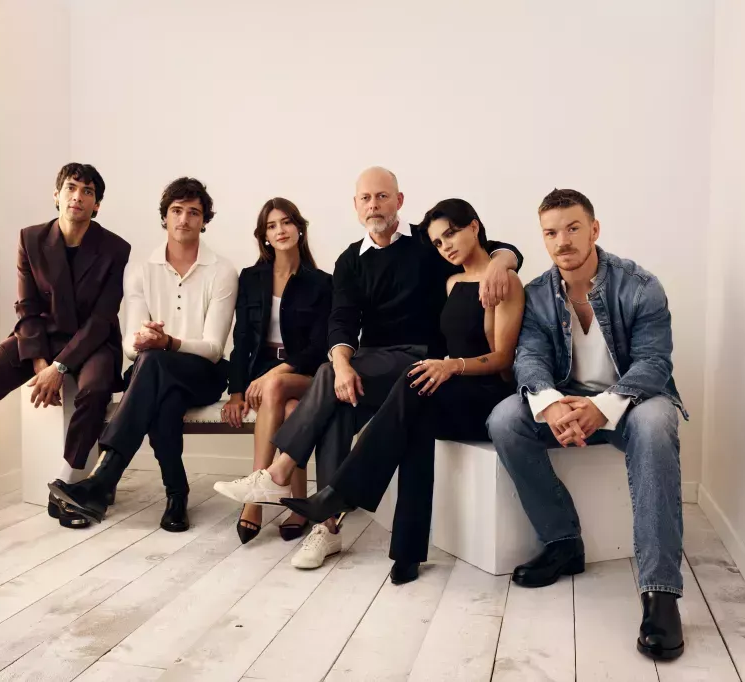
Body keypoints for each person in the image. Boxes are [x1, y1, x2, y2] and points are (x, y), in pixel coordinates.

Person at [214, 167, 523, 570]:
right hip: (373, 363)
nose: (374, 205)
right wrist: (342, 364)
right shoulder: (349, 260)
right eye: (366, 198)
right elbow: (341, 320)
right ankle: (326, 528)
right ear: (356, 206)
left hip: (420, 358)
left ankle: (278, 472)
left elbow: (492, 247)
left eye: (382, 196)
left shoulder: (428, 242)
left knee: (333, 380)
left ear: (399, 200)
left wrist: (505, 260)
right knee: (338, 399)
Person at [486, 188, 688, 661]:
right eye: (551, 233)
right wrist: (553, 404)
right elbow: (529, 359)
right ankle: (561, 542)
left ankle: (660, 594)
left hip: (631, 403)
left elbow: (655, 364)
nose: (563, 241)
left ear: (594, 230)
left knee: (659, 422)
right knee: (505, 419)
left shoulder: (639, 286)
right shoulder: (537, 294)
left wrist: (604, 406)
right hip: (569, 403)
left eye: (573, 228)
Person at [0, 163, 131, 547]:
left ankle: (68, 486)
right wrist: (41, 363)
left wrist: (61, 366)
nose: (78, 196)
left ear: (97, 205)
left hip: (93, 342)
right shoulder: (30, 238)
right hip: (38, 337)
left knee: (93, 389)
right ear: (56, 195)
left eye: (88, 191)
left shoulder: (115, 248)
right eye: (71, 188)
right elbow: (26, 307)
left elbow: (101, 319)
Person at [48, 177, 238, 533]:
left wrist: (167, 343)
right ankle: (176, 497)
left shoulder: (222, 271)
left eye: (193, 213)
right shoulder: (140, 270)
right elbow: (128, 343)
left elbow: (213, 348)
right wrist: (145, 338)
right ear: (165, 217)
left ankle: (103, 478)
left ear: (204, 221)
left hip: (204, 374)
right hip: (154, 372)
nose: (184, 219)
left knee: (152, 365)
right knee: (161, 396)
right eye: (176, 211)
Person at [221, 198, 333, 544]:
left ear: (299, 228)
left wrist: (278, 372)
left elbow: (320, 344)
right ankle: (296, 504)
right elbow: (241, 339)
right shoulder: (251, 278)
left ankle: (255, 496)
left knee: (279, 390)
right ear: (264, 236)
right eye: (271, 226)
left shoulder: (321, 282)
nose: (280, 230)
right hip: (261, 369)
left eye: (286, 222)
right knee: (291, 410)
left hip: (304, 371)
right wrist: (237, 392)